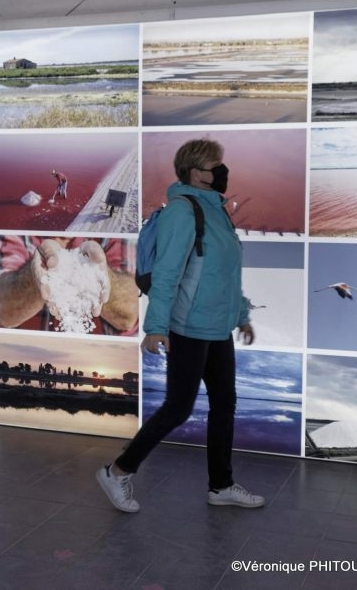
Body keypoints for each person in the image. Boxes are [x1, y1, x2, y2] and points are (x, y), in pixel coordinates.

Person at [96, 139, 263, 513]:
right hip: (186, 327)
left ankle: (220, 486)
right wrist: (155, 327)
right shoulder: (182, 212)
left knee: (224, 405)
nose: (221, 170)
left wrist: (241, 316)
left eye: (221, 163)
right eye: (213, 165)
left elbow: (226, 275)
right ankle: (117, 471)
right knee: (178, 408)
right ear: (193, 172)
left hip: (217, 328)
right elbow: (168, 274)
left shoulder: (218, 210)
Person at [0, 235, 138, 335]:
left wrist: (95, 272)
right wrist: (37, 275)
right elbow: (3, 311)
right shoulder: (16, 230)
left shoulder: (115, 231)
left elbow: (129, 316)